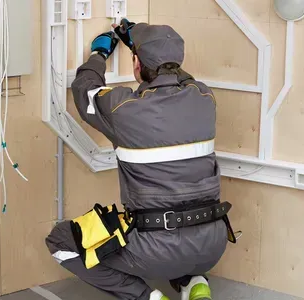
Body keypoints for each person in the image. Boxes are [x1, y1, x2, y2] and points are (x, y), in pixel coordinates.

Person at [45, 19, 236, 300]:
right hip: (213, 244)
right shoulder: (205, 97)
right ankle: (196, 282)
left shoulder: (124, 109)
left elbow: (84, 88)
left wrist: (99, 53)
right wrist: (133, 33)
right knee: (181, 220)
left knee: (61, 241)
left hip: (155, 249)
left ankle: (147, 298)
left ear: (136, 63)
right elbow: (180, 77)